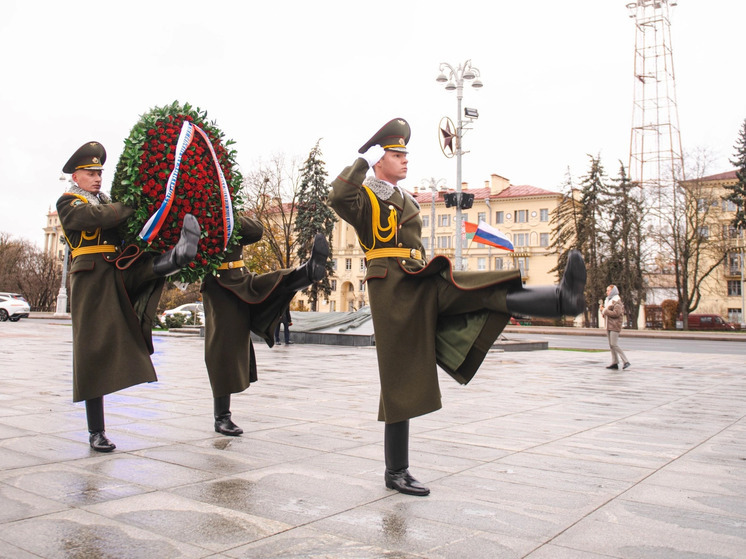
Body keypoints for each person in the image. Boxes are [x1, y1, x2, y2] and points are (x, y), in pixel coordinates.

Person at [327, 118, 587, 496]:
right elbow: (338, 197)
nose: (404, 161)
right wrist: (363, 161)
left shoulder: (406, 199)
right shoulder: (365, 197)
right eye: (396, 155)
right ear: (381, 159)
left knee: (478, 287)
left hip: (418, 277)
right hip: (392, 289)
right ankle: (395, 471)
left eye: (404, 155)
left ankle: (562, 299)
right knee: (399, 377)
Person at [57, 141, 201, 452]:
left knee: (146, 268)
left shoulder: (107, 201)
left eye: (100, 172)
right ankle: (96, 431)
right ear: (76, 176)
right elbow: (97, 218)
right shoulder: (69, 202)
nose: (97, 178)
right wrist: (135, 205)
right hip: (91, 277)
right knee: (91, 351)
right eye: (90, 173)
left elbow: (125, 223)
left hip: (117, 266)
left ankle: (177, 256)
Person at [201, 216, 328, 436]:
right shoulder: (198, 213)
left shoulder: (229, 214)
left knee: (274, 283)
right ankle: (222, 417)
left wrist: (228, 214)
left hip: (241, 277)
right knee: (222, 347)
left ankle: (308, 271)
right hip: (217, 284)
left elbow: (256, 231)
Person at [600, 284, 630, 370]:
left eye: (608, 290)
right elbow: (606, 313)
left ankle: (626, 361)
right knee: (611, 345)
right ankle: (615, 362)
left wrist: (605, 311)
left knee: (614, 344)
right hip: (609, 325)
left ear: (613, 291)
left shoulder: (617, 301)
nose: (607, 292)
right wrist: (602, 310)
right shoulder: (608, 300)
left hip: (615, 325)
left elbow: (616, 313)